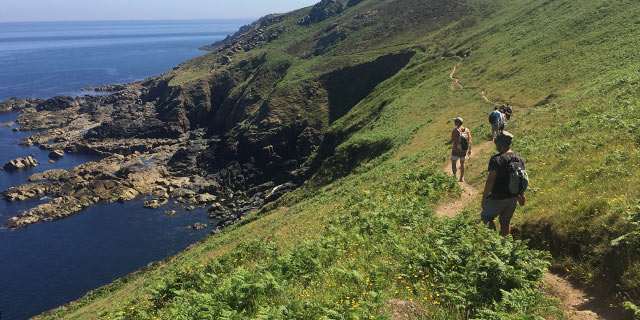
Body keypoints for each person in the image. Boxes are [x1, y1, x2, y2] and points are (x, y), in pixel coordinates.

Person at [480, 131, 526, 236]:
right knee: (505, 222)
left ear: (500, 144)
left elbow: (491, 180)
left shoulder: (496, 159)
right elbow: (521, 178)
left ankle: (494, 243)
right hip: (513, 197)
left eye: (496, 143)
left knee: (485, 217)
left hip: (498, 197)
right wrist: (522, 195)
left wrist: (484, 197)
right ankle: (504, 245)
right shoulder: (519, 159)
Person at [444, 117, 472, 182]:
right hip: (464, 150)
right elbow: (470, 141)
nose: (454, 122)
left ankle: (454, 177)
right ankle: (461, 178)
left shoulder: (455, 131)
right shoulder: (467, 130)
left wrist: (446, 143)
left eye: (455, 121)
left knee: (454, 163)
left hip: (456, 150)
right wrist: (470, 149)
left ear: (457, 123)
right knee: (462, 164)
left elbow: (452, 141)